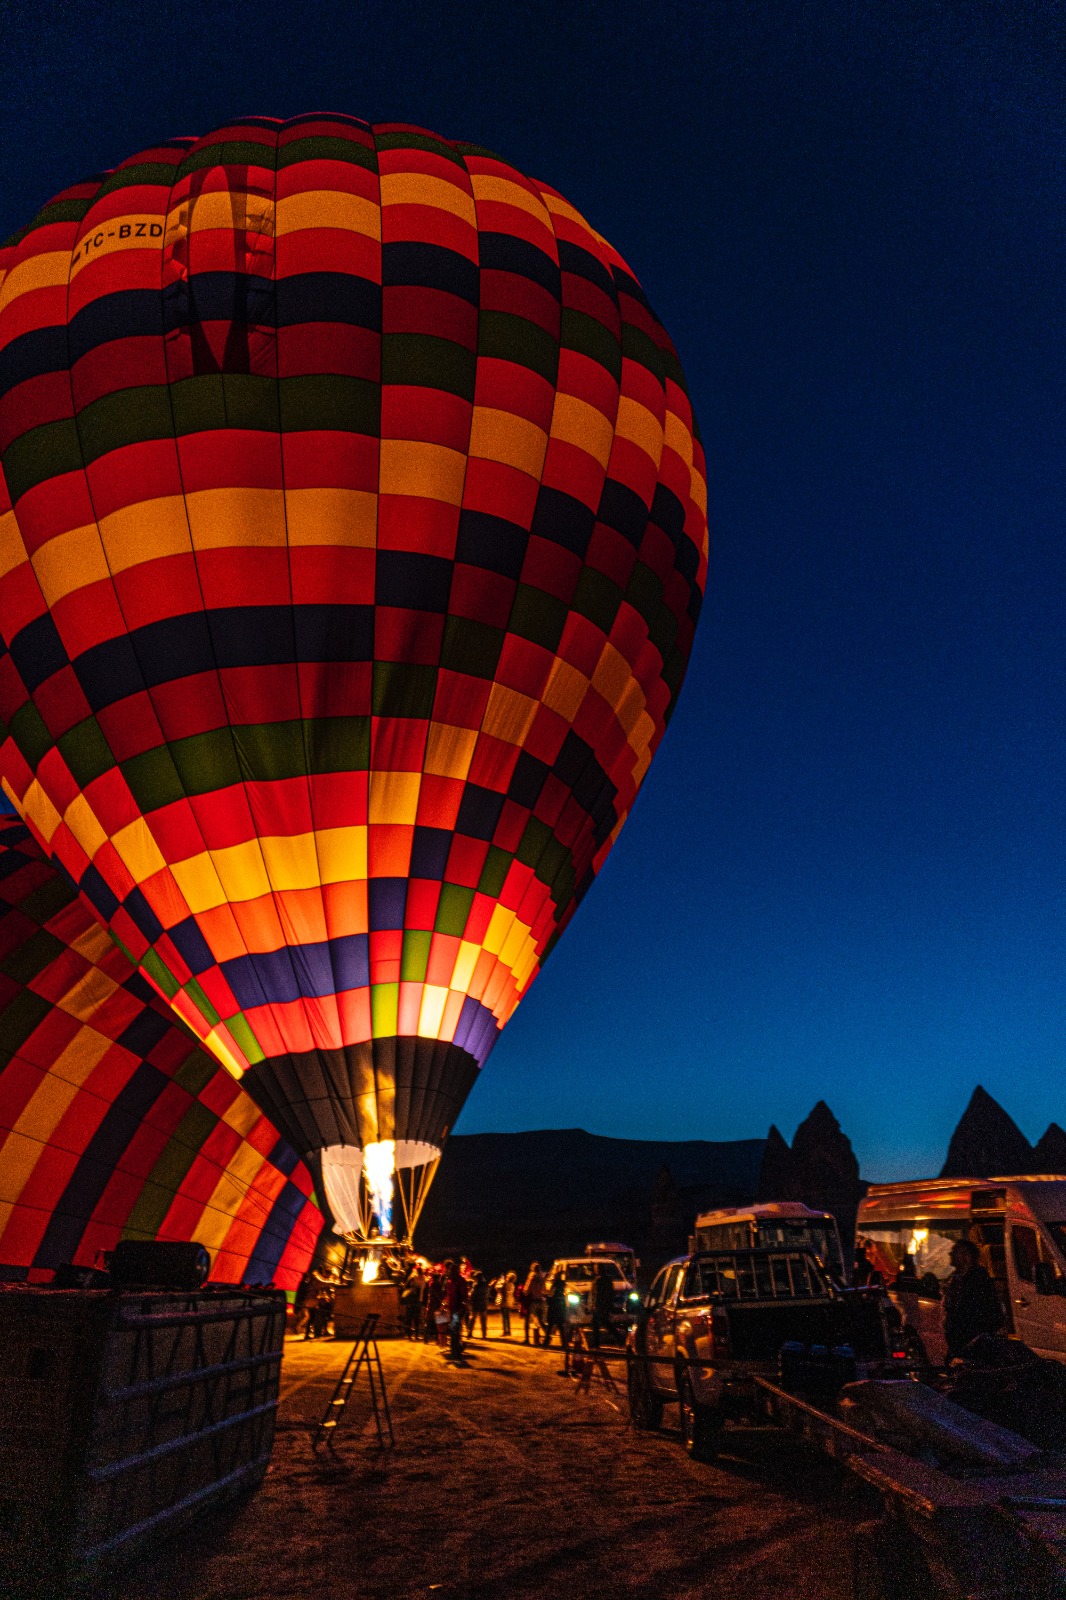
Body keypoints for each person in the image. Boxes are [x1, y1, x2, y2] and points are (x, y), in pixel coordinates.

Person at [942, 1238, 1004, 1360]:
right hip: (958, 1340)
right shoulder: (955, 1279)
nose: (950, 1254)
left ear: (966, 1256)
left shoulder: (978, 1280)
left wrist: (978, 1336)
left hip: (973, 1341)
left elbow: (988, 1311)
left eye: (955, 1251)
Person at [444, 1259, 469, 1361]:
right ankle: (455, 1351)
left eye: (451, 1270)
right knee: (453, 1332)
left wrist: (461, 1309)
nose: (449, 1272)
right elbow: (449, 1295)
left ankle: (456, 1353)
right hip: (452, 1309)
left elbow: (464, 1296)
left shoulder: (460, 1281)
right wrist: (445, 1303)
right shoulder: (451, 1281)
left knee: (455, 1332)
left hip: (457, 1310)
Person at [590, 1260, 616, 1349]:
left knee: (596, 1324)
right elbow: (611, 1293)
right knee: (605, 1323)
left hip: (599, 1306)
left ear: (599, 1270)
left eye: (596, 1268)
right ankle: (619, 1338)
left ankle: (596, 1344)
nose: (595, 1270)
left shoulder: (599, 1280)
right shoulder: (608, 1280)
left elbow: (597, 1294)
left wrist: (594, 1305)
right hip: (605, 1305)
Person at [544, 1269, 569, 1349]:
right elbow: (564, 1297)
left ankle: (546, 1342)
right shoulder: (563, 1286)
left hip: (554, 1308)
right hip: (560, 1308)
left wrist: (546, 1297)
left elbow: (552, 1296)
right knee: (560, 1326)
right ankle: (564, 1344)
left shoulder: (555, 1285)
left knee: (550, 1326)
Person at [523, 1262, 547, 1345]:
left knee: (527, 1320)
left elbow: (526, 1290)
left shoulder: (532, 1277)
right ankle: (547, 1337)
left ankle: (527, 1339)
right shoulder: (543, 1277)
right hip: (541, 1300)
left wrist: (525, 1292)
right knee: (541, 1321)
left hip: (533, 1301)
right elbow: (545, 1289)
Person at [470, 1271, 489, 1339]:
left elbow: (473, 1294)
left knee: (473, 1318)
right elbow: (487, 1293)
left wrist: (471, 1298)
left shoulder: (476, 1285)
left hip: (476, 1302)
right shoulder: (485, 1284)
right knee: (483, 1319)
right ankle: (484, 1334)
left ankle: (470, 1332)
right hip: (483, 1302)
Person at [498, 1271, 516, 1338]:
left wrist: (499, 1283)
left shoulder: (506, 1284)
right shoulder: (512, 1285)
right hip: (510, 1301)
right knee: (507, 1317)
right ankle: (509, 1331)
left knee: (504, 1317)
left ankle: (505, 1331)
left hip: (504, 1302)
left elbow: (499, 1289)